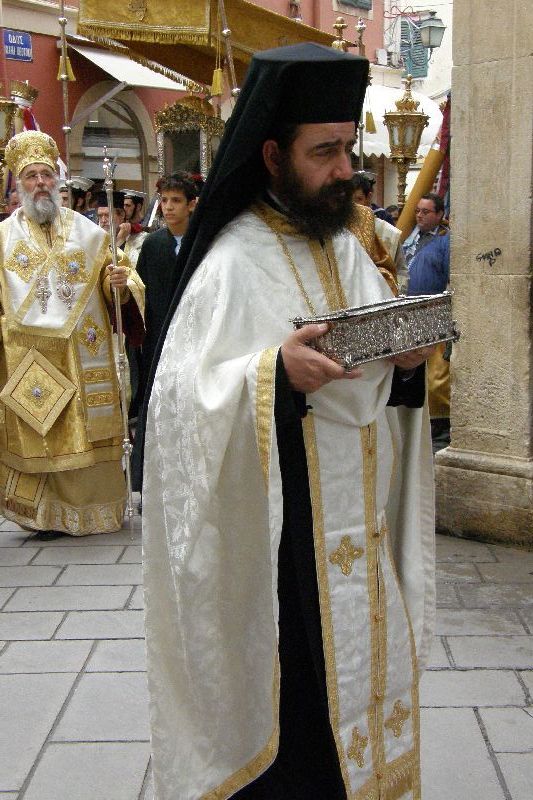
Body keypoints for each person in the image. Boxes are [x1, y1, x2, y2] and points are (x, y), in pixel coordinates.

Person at [142, 44, 435, 800]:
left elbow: (379, 381)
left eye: (348, 148)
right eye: (324, 152)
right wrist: (275, 373)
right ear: (273, 155)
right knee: (296, 723)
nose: (346, 171)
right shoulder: (231, 260)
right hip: (281, 543)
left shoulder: (348, 248)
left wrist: (406, 363)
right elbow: (179, 405)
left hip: (359, 527)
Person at [0, 130, 144, 538]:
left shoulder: (89, 233)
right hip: (29, 356)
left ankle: (95, 511)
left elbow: (119, 281)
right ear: (19, 184)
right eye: (31, 176)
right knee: (41, 430)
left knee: (87, 429)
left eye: (46, 175)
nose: (40, 183)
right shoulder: (3, 238)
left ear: (57, 181)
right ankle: (45, 517)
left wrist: (119, 283)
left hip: (83, 353)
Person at [131, 171, 197, 490]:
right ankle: (153, 479)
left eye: (176, 201)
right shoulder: (153, 244)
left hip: (194, 337)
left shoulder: (202, 242)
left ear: (191, 204)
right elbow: (141, 291)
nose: (168, 207)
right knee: (158, 403)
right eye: (165, 200)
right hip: (159, 338)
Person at [404, 193, 451, 453]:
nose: (419, 215)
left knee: (436, 377)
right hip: (409, 315)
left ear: (439, 214)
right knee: (414, 371)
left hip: (435, 314)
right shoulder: (410, 238)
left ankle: (441, 426)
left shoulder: (445, 241)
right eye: (417, 211)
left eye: (426, 211)